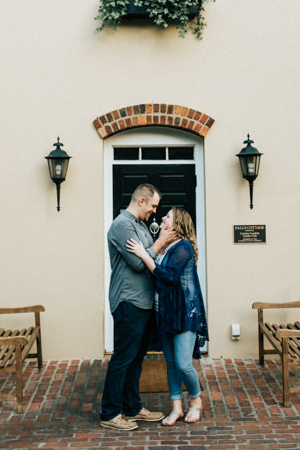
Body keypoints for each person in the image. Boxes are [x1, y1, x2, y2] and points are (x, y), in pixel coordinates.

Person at [99, 183, 176, 431]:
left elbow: (148, 256)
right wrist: (161, 241)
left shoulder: (141, 226)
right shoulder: (122, 225)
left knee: (136, 358)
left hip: (143, 302)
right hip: (128, 301)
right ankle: (110, 413)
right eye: (153, 205)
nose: (155, 211)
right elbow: (138, 263)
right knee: (123, 358)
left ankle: (132, 407)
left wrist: (154, 247)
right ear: (141, 201)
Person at [126, 207, 208, 426]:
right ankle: (176, 407)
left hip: (184, 313)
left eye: (168, 216)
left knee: (183, 364)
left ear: (178, 223)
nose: (162, 218)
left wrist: (144, 254)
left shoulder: (184, 247)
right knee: (170, 363)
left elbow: (168, 277)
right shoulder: (165, 248)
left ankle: (196, 400)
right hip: (166, 313)